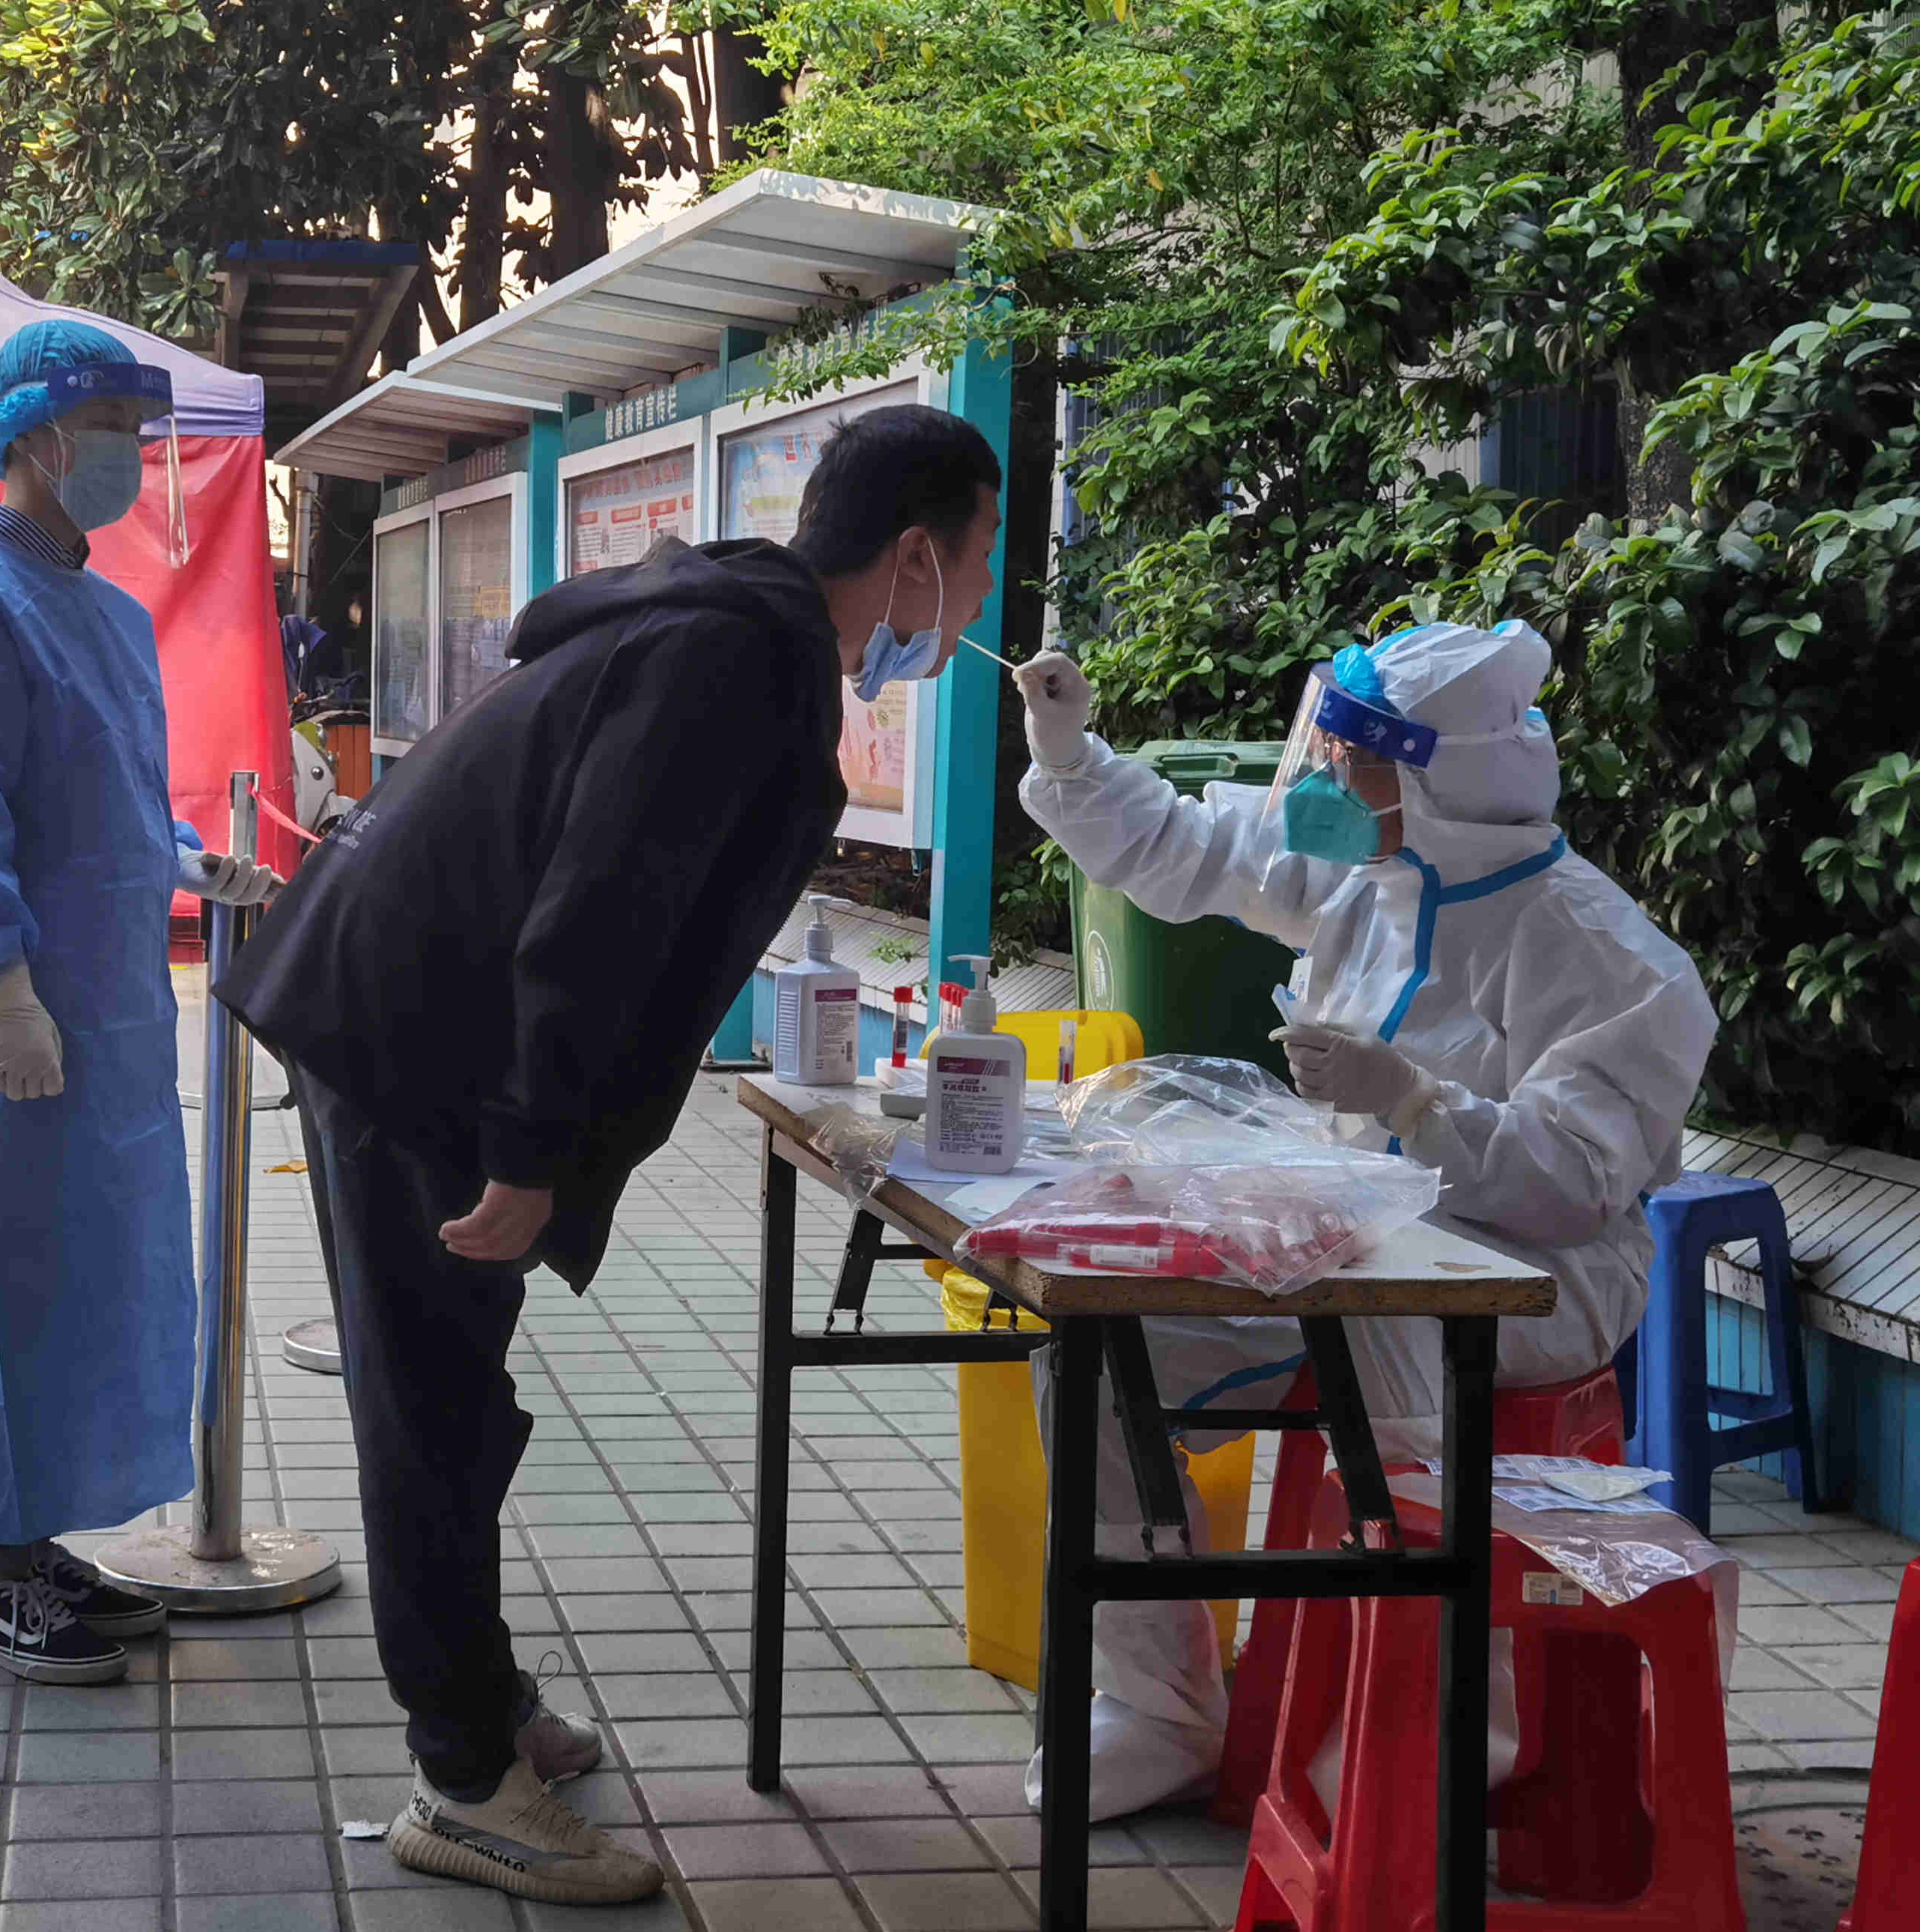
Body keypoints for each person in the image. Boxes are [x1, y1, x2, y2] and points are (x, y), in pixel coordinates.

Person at [218, 405, 1005, 1907]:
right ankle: (462, 1782)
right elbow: (601, 910)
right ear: (914, 556)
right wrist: (528, 1148)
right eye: (977, 565)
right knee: (432, 1404)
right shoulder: (737, 660)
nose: (974, 605)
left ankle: (484, 1696)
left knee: (453, 1388)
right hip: (415, 1039)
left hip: (405, 1008)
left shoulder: (723, 625)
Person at [1009, 618, 1717, 1820]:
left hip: (1538, 1277)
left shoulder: (1602, 953)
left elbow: (1576, 1179)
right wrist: (1071, 754)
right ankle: (1164, 1709)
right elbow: (1194, 848)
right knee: (1098, 1357)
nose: (1328, 780)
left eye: (1357, 760)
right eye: (1328, 750)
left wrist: (1418, 1105)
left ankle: (1445, 1724)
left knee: (1385, 1323)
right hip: (1342, 1247)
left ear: (1443, 781)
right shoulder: (1369, 871)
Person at [0, 319, 278, 1687]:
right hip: (12, 1010)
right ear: (33, 438)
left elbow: (100, 792)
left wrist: (183, 860)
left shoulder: (104, 614)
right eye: (109, 434)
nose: (128, 461)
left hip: (106, 1005)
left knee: (92, 1269)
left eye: (137, 438)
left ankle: (38, 1544)